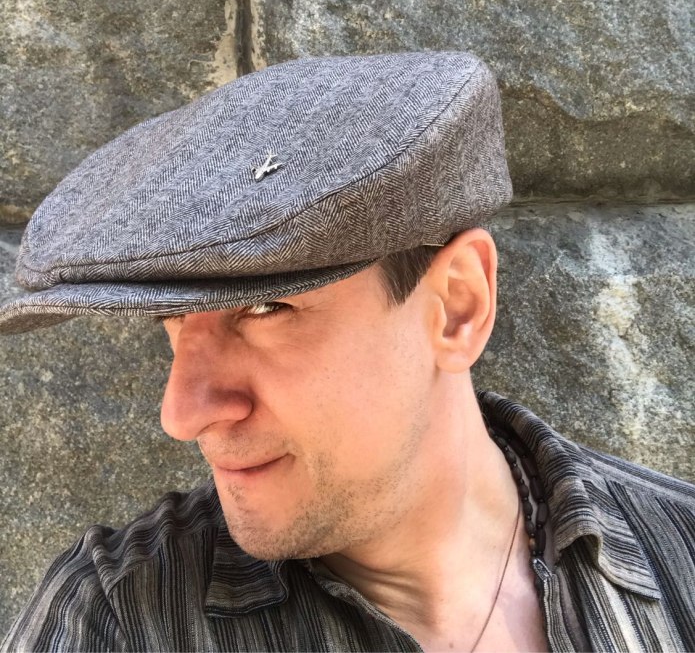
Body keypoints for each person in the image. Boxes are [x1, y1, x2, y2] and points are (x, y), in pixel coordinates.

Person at [1, 52, 693, 653]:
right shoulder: (116, 622)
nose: (182, 414)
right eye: (172, 319)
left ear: (458, 306)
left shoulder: (680, 558)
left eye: (266, 309)